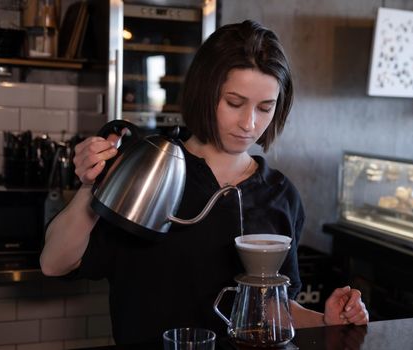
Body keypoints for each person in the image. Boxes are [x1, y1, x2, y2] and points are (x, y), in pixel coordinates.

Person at [40, 19, 368, 345]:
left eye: (265, 108)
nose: (249, 124)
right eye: (234, 103)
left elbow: (270, 309)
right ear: (204, 92)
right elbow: (54, 263)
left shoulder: (279, 193)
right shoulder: (152, 171)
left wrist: (327, 321)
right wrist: (90, 186)